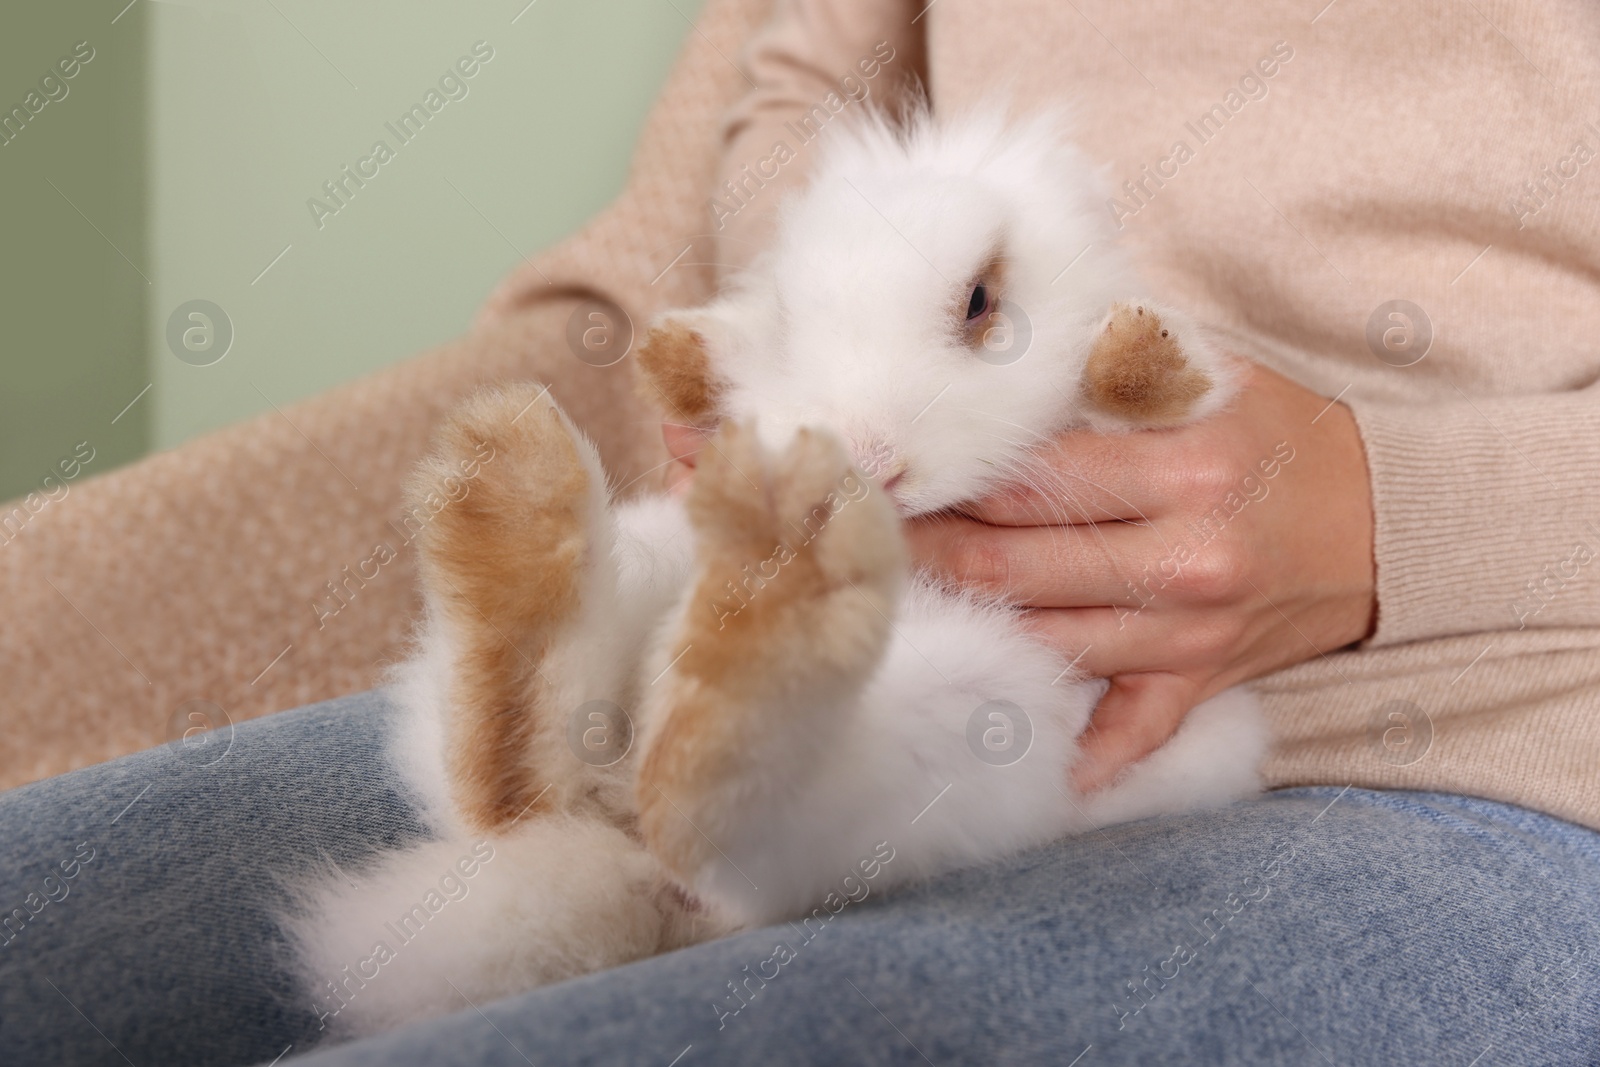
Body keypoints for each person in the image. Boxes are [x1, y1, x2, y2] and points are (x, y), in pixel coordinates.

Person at [3, 2, 1598, 1064]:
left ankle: (718, 746)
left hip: (1480, 742)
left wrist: (1404, 523)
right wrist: (829, 335)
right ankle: (644, 716)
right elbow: (806, 76)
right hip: (881, 551)